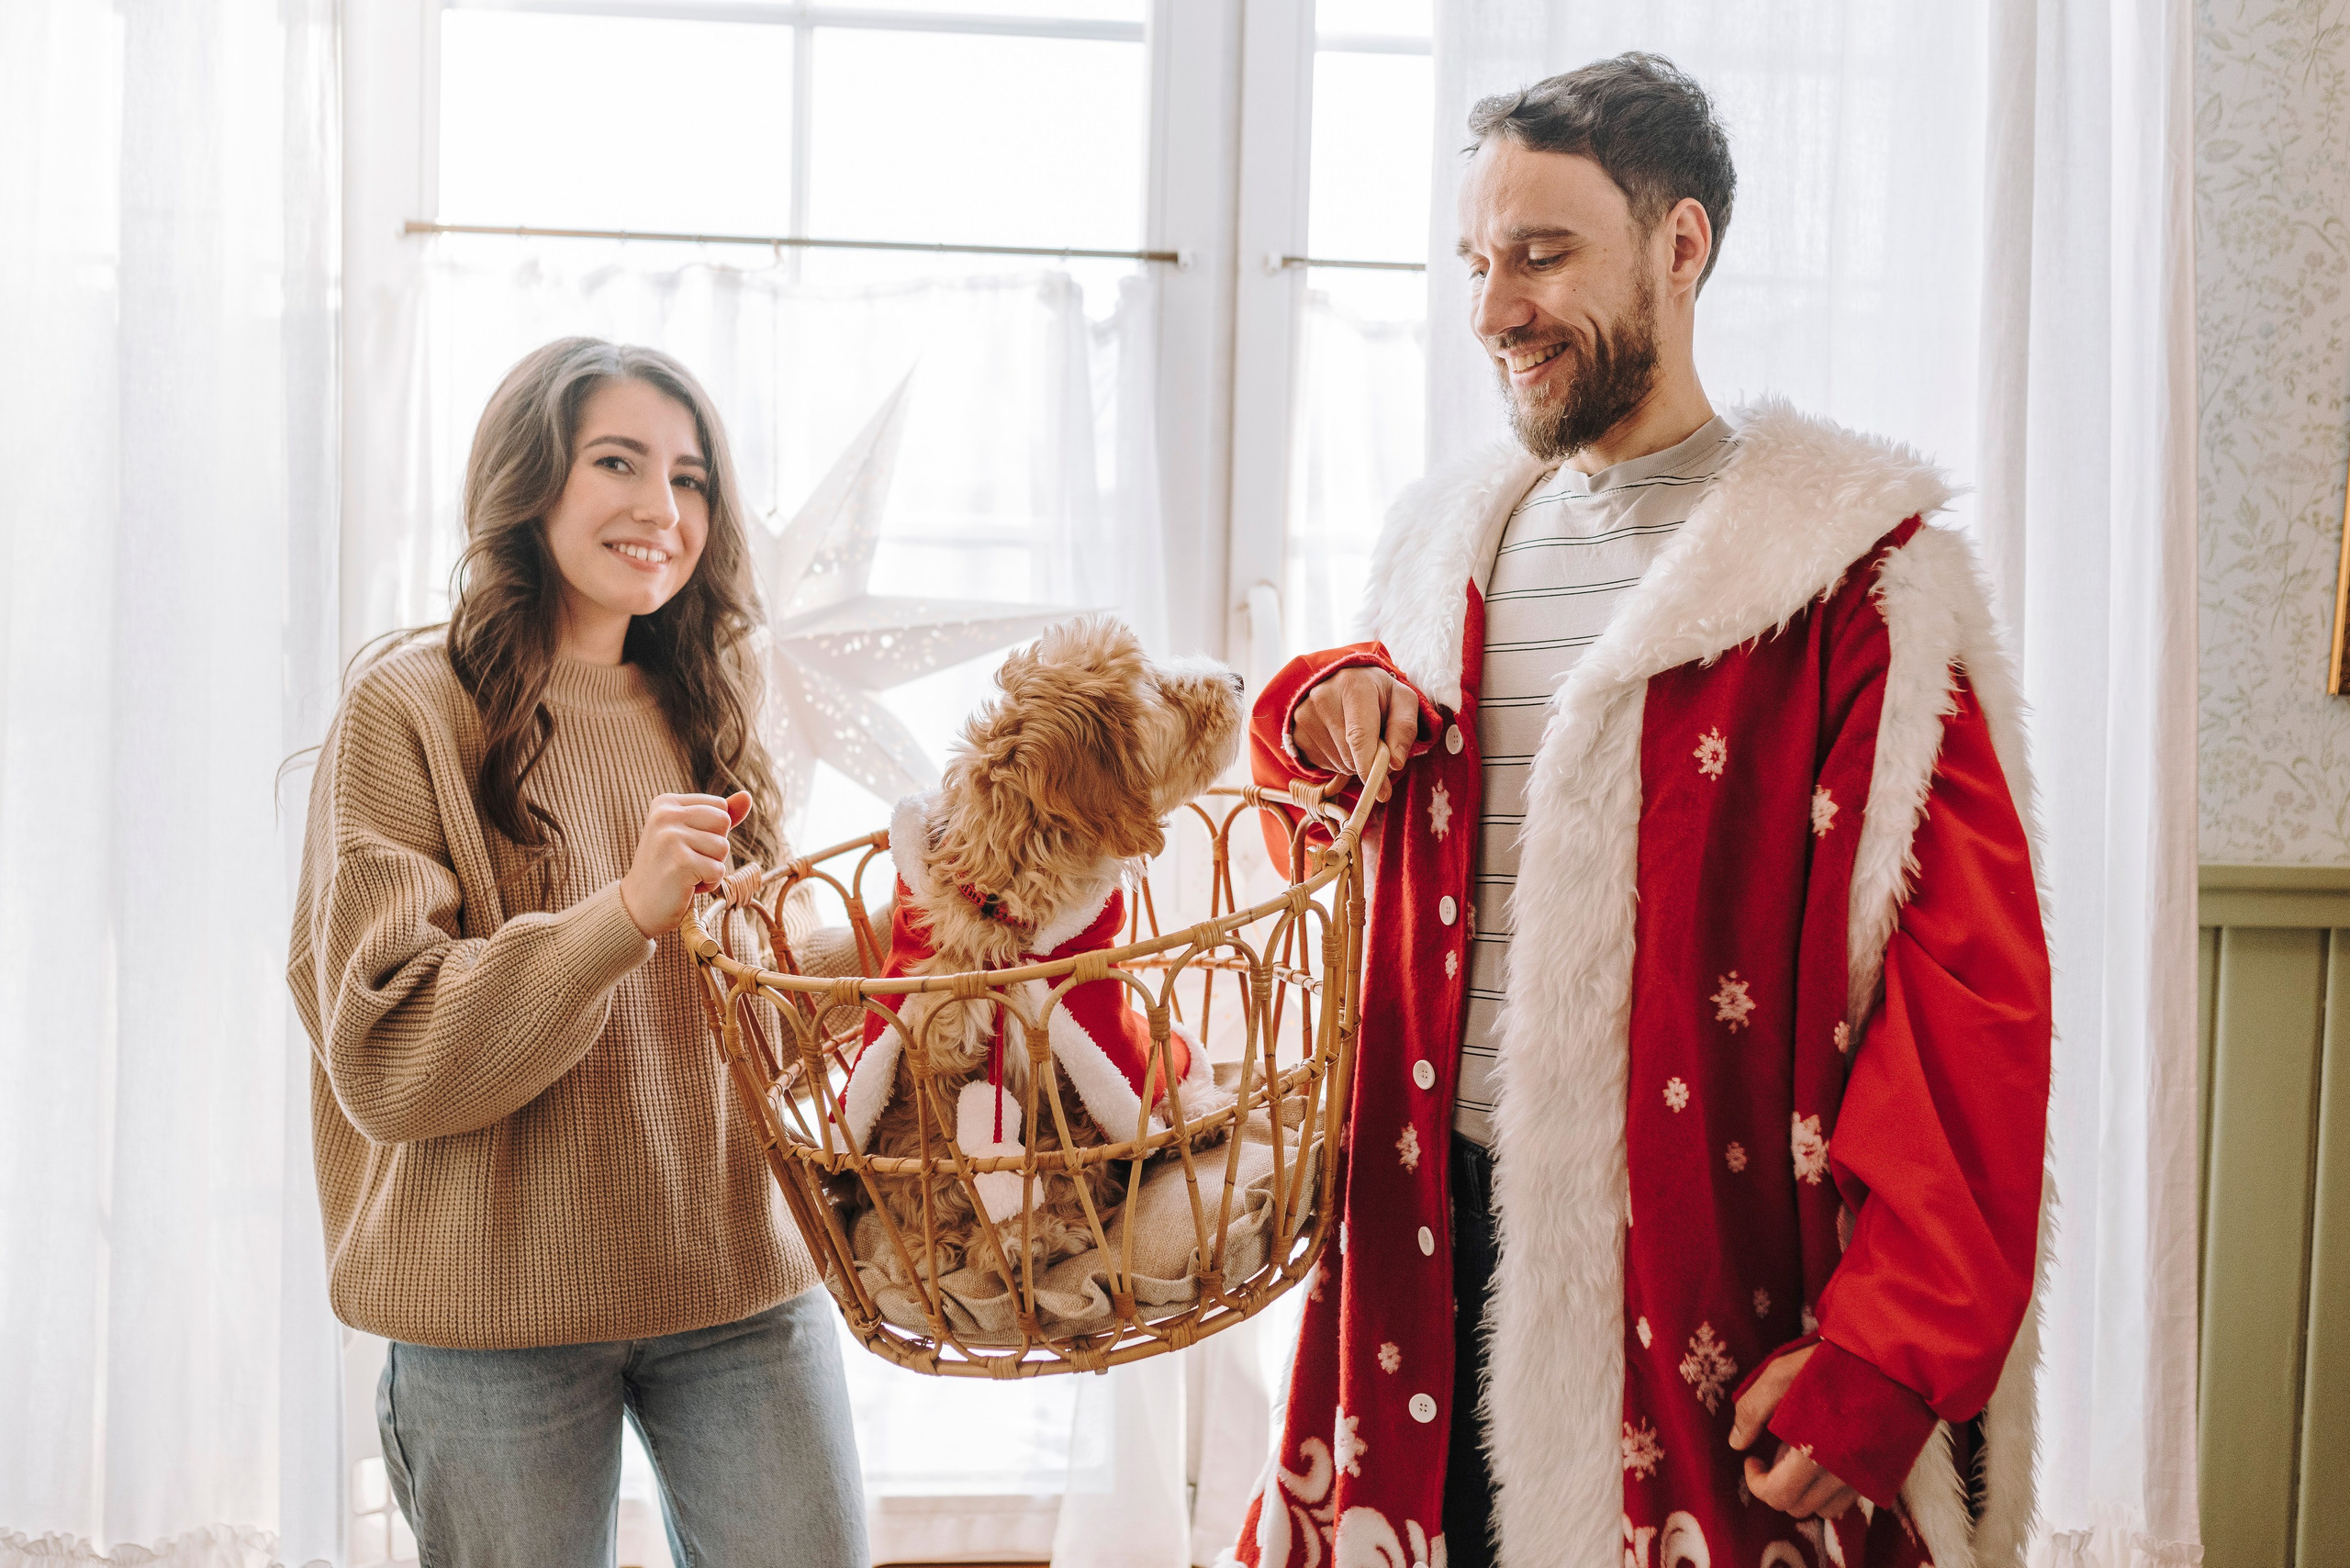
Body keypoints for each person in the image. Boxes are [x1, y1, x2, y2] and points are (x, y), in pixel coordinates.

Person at [1233, 55, 2052, 1568]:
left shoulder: (1857, 586)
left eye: (1543, 256)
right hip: (1423, 1233)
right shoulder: (1446, 546)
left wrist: (1886, 1356)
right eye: (1480, 262)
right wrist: (1319, 709)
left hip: (1704, 1261)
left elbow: (1966, 1000)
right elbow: (1352, 860)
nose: (1493, 310)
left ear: (1681, 248)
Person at [288, 338, 867, 1567]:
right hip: (495, 1314)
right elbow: (387, 1056)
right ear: (531, 480)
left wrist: (870, 950)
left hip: (739, 1282)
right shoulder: (408, 711)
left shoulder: (709, 710)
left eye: (693, 478)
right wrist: (621, 915)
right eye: (619, 462)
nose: (663, 508)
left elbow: (738, 1027)